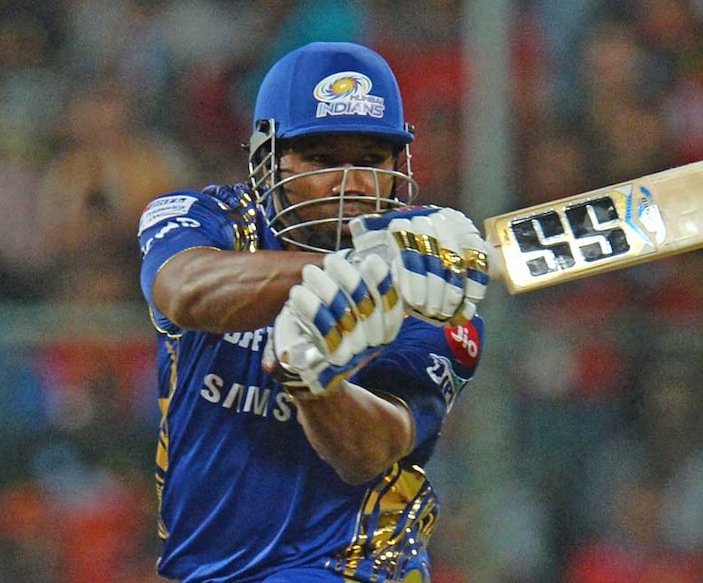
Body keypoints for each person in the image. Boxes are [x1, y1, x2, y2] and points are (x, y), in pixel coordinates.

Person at [137, 41, 491, 582]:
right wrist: (360, 271)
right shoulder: (210, 219)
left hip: (348, 564)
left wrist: (316, 386)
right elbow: (184, 292)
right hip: (207, 568)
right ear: (267, 158)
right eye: (323, 159)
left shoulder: (433, 280)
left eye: (370, 160)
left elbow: (372, 451)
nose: (350, 181)